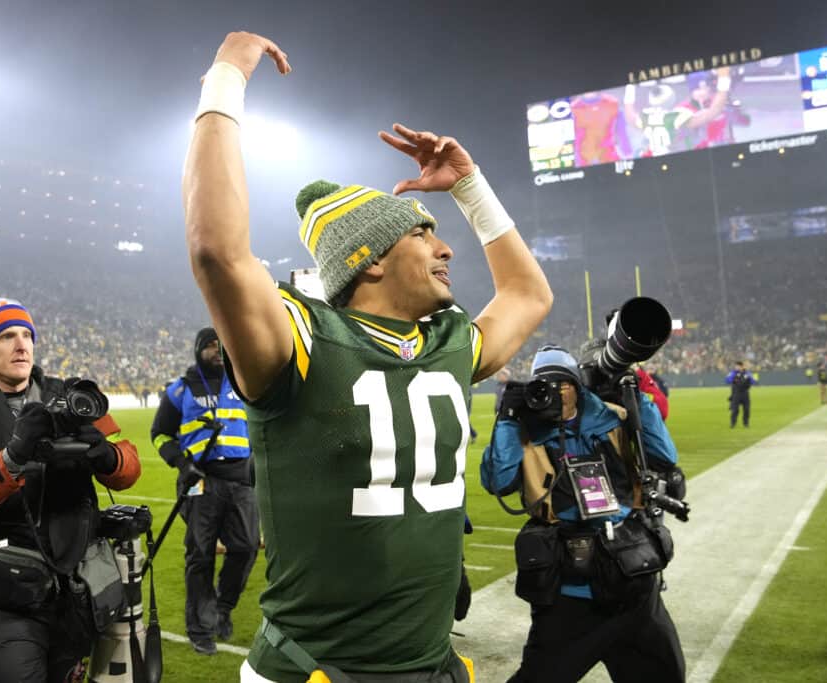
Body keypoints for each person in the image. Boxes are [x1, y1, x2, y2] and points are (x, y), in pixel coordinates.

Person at [183, 31, 553, 683]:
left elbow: (527, 292)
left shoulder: (444, 342)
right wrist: (226, 78)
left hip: (431, 665)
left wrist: (468, 187)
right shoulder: (300, 342)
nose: (446, 250)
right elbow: (217, 250)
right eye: (422, 232)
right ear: (371, 258)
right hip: (318, 672)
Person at [0, 288, 141, 682]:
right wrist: (11, 459)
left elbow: (129, 468)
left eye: (27, 334)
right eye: (6, 336)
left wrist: (107, 456)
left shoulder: (68, 394)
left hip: (77, 588)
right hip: (5, 596)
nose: (22, 344)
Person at [480, 346, 684, 683]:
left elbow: (664, 456)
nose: (557, 393)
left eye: (564, 384)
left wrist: (636, 397)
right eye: (546, 385)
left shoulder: (614, 418)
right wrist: (506, 420)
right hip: (569, 591)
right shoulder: (525, 434)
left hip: (631, 582)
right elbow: (499, 482)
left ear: (578, 385)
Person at [150, 327, 258, 655]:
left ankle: (222, 608)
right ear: (198, 351)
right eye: (210, 346)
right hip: (201, 481)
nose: (216, 350)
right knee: (200, 555)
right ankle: (200, 629)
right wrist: (183, 465)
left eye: (221, 345)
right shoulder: (181, 389)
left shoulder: (244, 385)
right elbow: (159, 434)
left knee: (246, 548)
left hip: (241, 482)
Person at [726, 361, 756, 428]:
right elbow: (727, 380)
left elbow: (753, 381)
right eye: (736, 366)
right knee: (735, 410)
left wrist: (748, 380)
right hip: (736, 393)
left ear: (742, 366)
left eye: (738, 366)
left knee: (746, 409)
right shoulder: (733, 373)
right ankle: (733, 423)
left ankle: (746, 423)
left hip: (745, 393)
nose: (737, 368)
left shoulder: (747, 373)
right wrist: (734, 379)